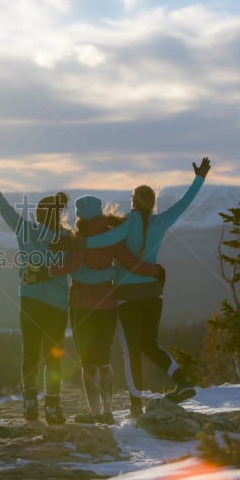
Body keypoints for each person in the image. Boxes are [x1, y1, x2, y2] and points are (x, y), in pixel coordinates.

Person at [53, 158, 211, 417]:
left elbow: (105, 240)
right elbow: (184, 203)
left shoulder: (126, 225)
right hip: (153, 294)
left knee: (131, 352)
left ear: (134, 200)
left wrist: (77, 244)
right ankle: (183, 382)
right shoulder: (161, 222)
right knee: (151, 344)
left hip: (127, 296)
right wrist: (199, 179)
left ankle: (135, 404)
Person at [25, 195, 164, 424]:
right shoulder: (114, 238)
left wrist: (44, 273)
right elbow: (130, 264)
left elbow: (69, 267)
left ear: (80, 215)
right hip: (107, 304)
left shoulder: (81, 239)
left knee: (88, 360)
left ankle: (94, 411)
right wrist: (155, 271)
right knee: (103, 357)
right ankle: (107, 411)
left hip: (82, 305)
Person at [0, 167, 70, 424]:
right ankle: (54, 406)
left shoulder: (26, 230)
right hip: (57, 305)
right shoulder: (68, 238)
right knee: (53, 355)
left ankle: (30, 402)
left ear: (40, 215)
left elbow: (3, 207)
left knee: (30, 354)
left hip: (31, 301)